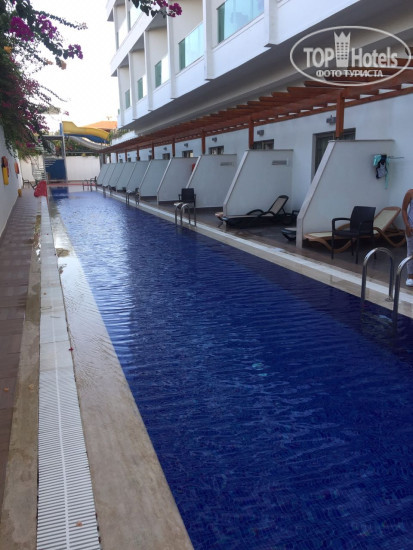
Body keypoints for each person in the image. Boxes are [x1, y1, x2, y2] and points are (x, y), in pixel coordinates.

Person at [401, 188, 413, 286]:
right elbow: (404, 209)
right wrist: (407, 225)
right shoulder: (410, 193)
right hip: (411, 228)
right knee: (411, 252)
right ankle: (410, 276)